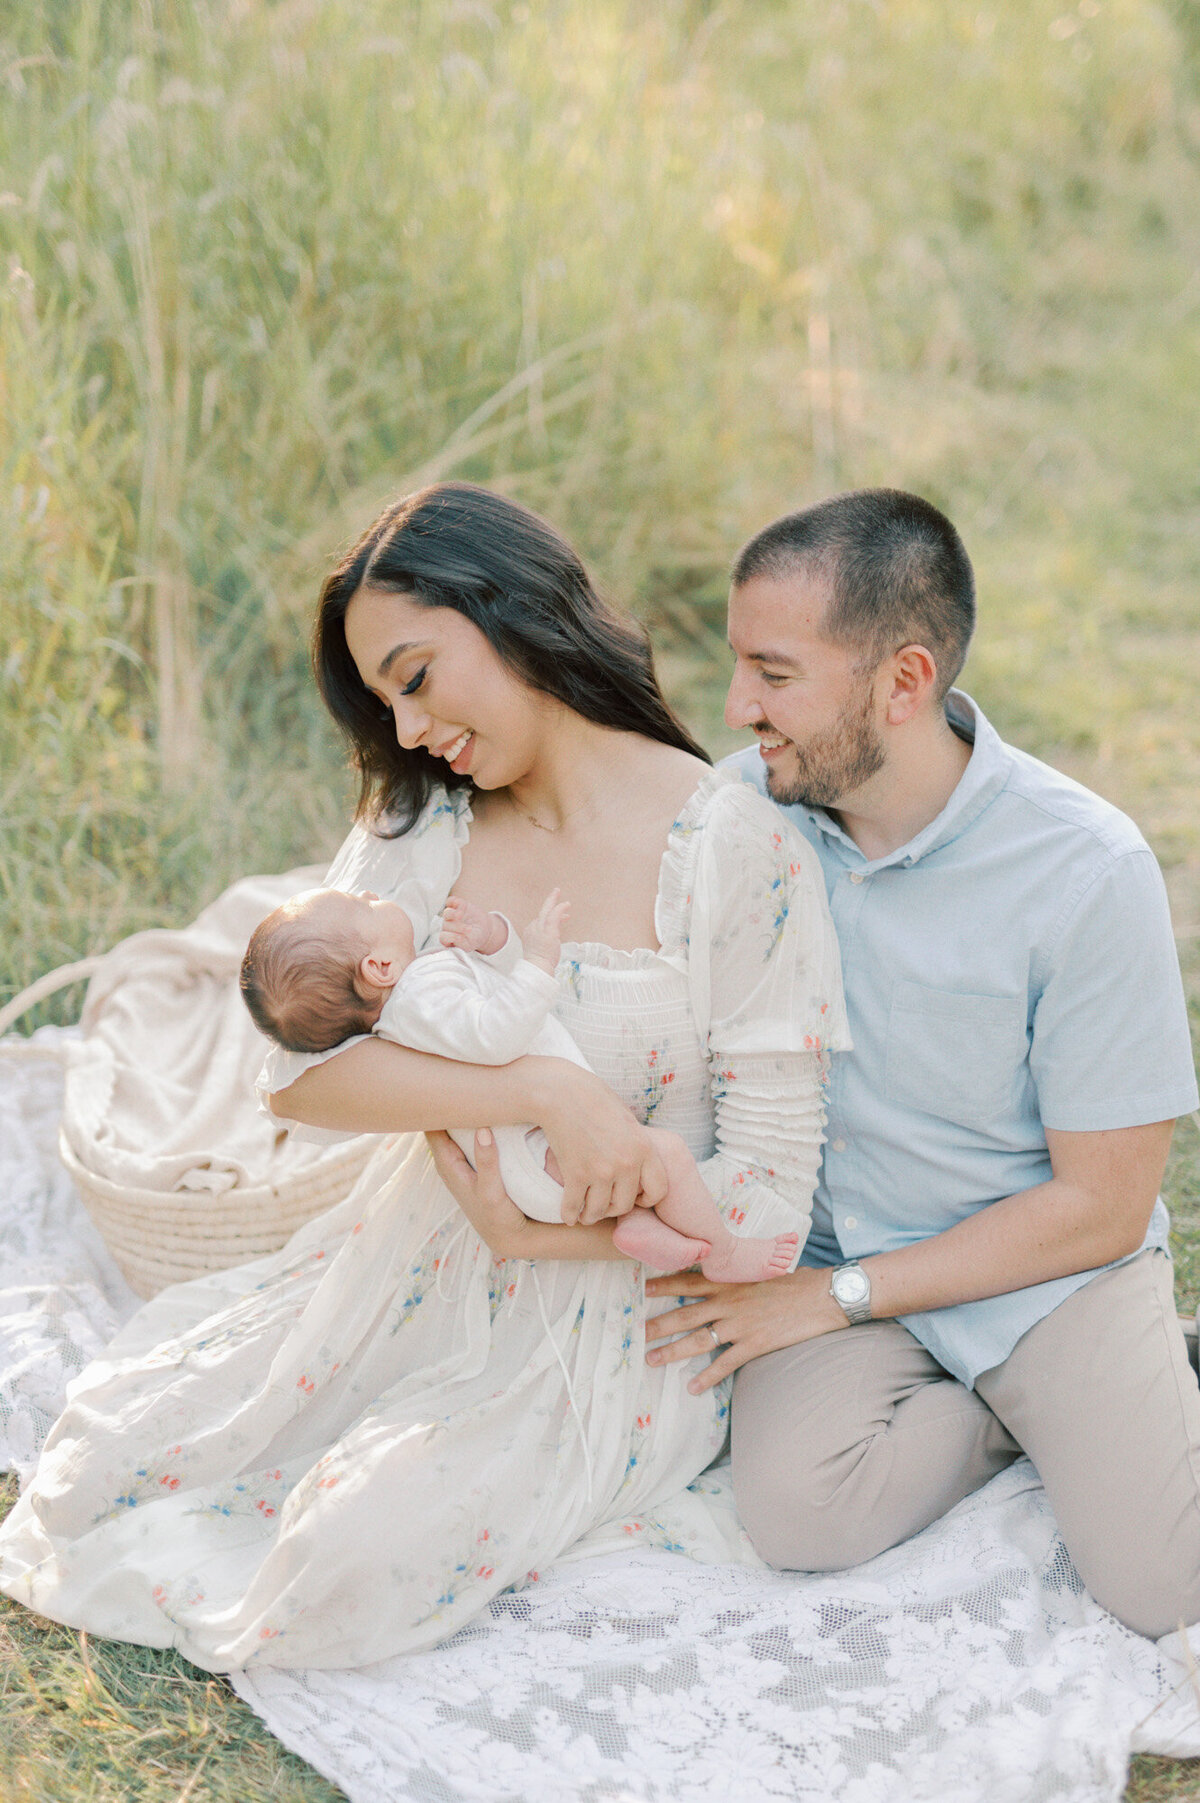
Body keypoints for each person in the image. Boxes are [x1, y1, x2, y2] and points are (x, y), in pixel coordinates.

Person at [0, 481, 847, 1670]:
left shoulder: (738, 848)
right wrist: (543, 1094)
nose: (403, 731)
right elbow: (298, 1086)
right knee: (118, 1454)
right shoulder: (424, 825)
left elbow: (770, 1196)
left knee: (351, 1554)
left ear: (511, 612)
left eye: (415, 676)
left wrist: (539, 1235)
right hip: (405, 1272)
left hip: (622, 1327)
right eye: (381, 700)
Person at [637, 487, 1200, 1640]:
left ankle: (1127, 1386)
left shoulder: (1089, 868)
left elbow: (1104, 1205)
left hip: (1045, 1267)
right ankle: (1023, 1420)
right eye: (741, 666)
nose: (738, 706)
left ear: (904, 681)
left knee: (1164, 1584)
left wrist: (835, 1300)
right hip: (841, 1248)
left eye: (776, 675)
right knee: (801, 1514)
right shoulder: (740, 816)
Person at [240, 883, 800, 1280]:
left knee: (638, 1178)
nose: (372, 894)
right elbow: (498, 1033)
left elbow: (482, 987)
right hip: (536, 1156)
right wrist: (537, 956)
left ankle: (637, 1230)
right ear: (379, 968)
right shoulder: (420, 996)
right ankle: (723, 1250)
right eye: (361, 903)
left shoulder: (408, 1011)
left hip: (527, 1171)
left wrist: (491, 936)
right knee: (670, 1156)